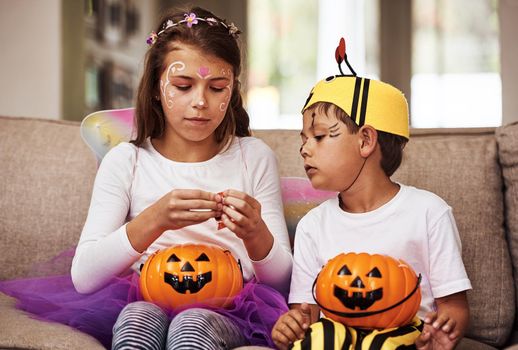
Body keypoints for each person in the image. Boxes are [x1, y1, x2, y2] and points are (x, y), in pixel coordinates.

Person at [0, 6, 293, 350]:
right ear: (156, 86)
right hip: (143, 296)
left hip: (227, 306)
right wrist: (153, 220)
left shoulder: (253, 158)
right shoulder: (127, 161)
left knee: (193, 322)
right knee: (138, 317)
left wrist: (256, 233)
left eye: (217, 87)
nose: (200, 101)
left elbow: (283, 280)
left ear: (233, 90)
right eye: (183, 86)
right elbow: (84, 277)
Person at [271, 38, 471, 350]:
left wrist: (443, 332)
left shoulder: (429, 212)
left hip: (405, 338)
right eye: (304, 138)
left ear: (366, 140)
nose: (304, 148)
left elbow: (454, 308)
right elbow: (305, 314)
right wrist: (290, 326)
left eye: (320, 136)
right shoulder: (313, 225)